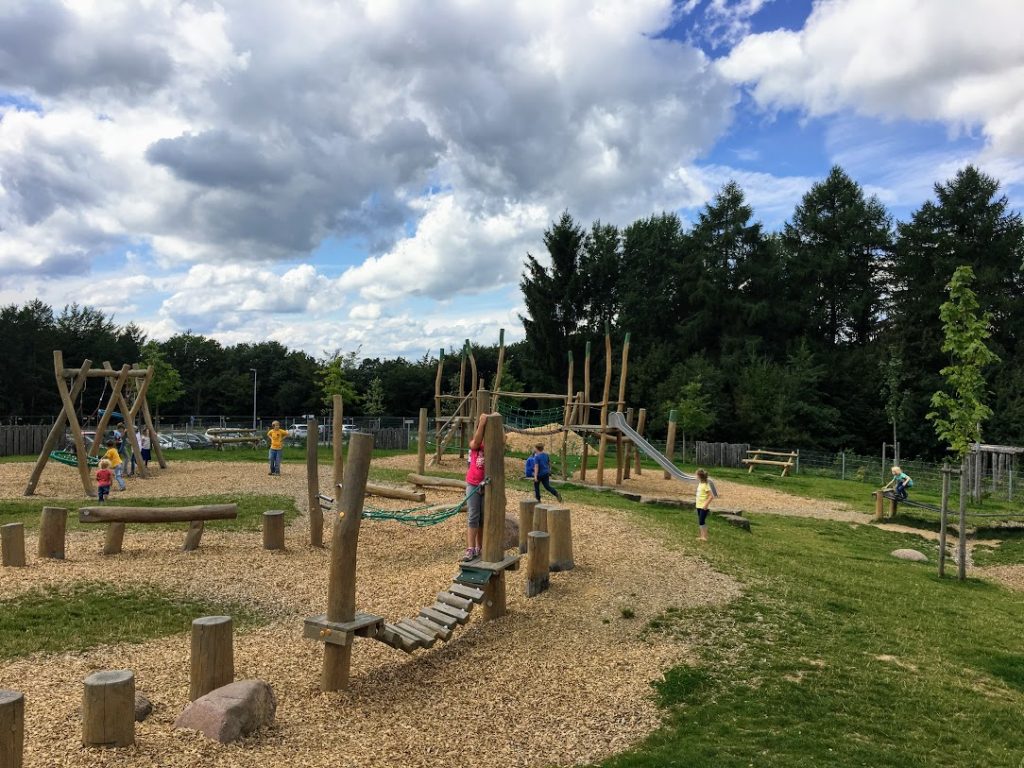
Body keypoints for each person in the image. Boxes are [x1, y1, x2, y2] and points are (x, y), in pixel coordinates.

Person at [463, 412, 488, 562]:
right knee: (473, 516)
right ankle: (471, 548)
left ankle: (480, 546)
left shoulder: (493, 446)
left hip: (488, 485)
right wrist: (482, 423)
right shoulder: (475, 445)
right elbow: (476, 442)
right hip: (473, 483)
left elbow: (503, 440)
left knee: (483, 518)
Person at [695, 468, 713, 541]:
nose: (695, 476)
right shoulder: (700, 484)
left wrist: (705, 505)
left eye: (696, 475)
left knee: (701, 521)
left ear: (699, 476)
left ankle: (704, 537)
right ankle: (702, 536)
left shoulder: (706, 485)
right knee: (700, 521)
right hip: (698, 505)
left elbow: (711, 496)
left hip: (703, 506)